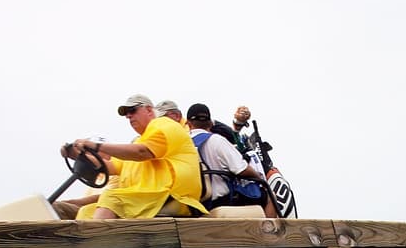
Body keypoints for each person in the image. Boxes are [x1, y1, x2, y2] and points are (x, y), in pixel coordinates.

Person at [58, 94, 206, 220]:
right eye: (126, 114)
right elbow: (109, 167)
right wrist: (75, 154)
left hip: (173, 196)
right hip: (146, 199)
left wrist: (96, 146)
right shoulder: (137, 141)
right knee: (86, 212)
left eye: (132, 110)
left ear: (149, 109)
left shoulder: (164, 125)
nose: (128, 116)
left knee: (112, 198)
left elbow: (142, 153)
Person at [186, 103, 276, 217]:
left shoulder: (182, 144)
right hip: (222, 201)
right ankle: (268, 233)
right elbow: (242, 170)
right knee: (270, 195)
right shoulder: (217, 141)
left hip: (194, 204)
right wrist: (259, 178)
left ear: (188, 123)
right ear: (210, 123)